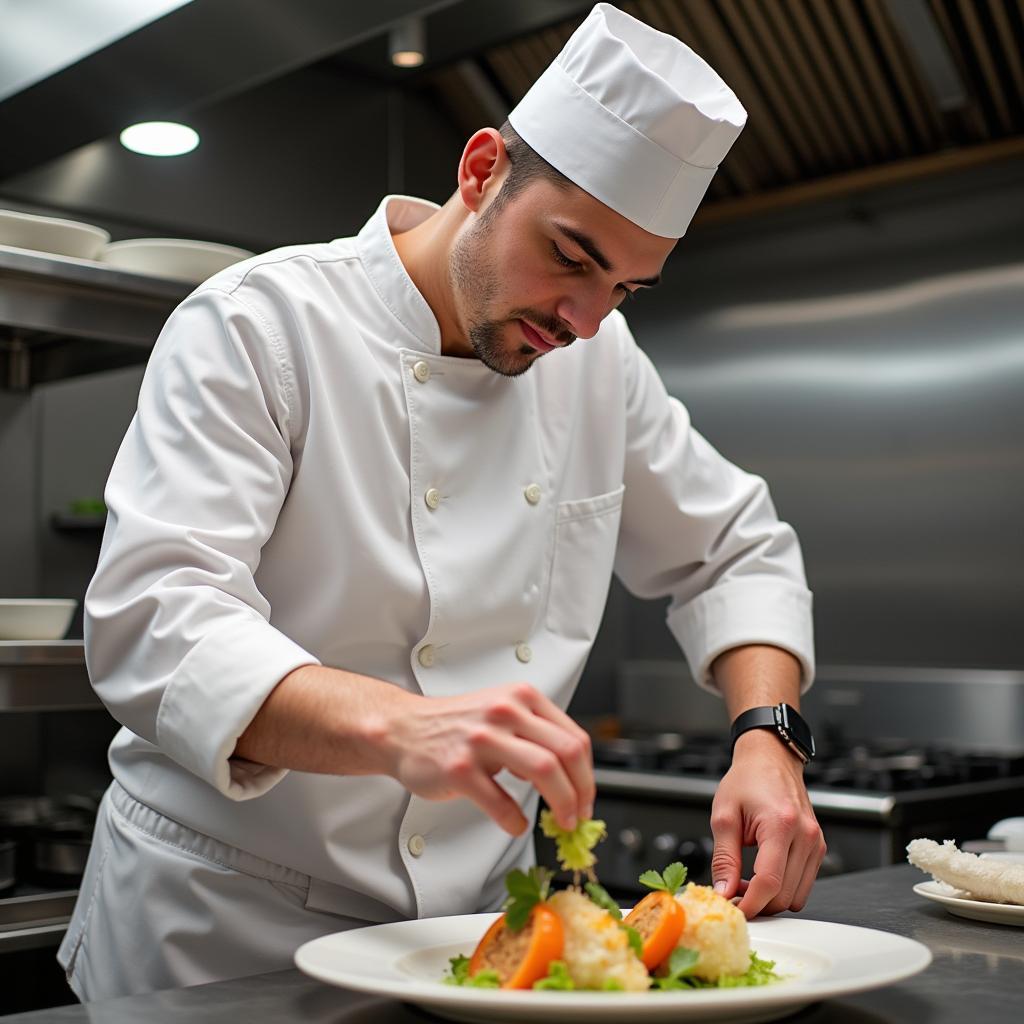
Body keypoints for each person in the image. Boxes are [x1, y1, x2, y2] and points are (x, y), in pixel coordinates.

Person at [59, 2, 824, 1001]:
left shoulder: (597, 364)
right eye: (572, 256)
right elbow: (155, 620)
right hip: (220, 934)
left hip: (475, 943)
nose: (586, 321)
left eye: (626, 289)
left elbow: (733, 548)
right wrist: (397, 726)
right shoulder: (261, 325)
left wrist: (769, 738)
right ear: (479, 172)